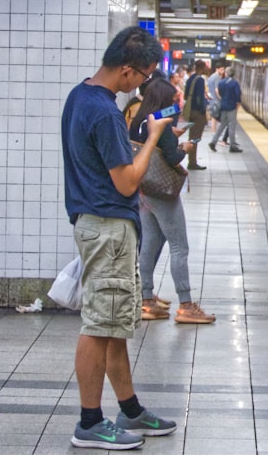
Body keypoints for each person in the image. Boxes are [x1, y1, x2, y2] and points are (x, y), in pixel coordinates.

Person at [61, 26, 178, 450]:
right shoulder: (105, 113)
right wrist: (153, 139)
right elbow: (127, 182)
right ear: (126, 71)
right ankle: (89, 423)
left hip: (97, 223)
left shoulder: (80, 96)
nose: (142, 84)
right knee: (99, 326)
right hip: (108, 227)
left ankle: (129, 410)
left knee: (111, 324)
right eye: (143, 76)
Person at [129, 70, 217, 324]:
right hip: (162, 192)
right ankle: (186, 305)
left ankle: (146, 300)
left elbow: (150, 144)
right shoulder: (161, 123)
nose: (175, 104)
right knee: (179, 247)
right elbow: (172, 157)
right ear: (163, 101)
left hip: (143, 189)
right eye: (172, 100)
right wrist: (184, 147)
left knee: (150, 244)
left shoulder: (140, 119)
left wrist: (171, 139)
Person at [182, 60, 210, 170]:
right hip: (197, 112)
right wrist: (203, 110)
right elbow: (199, 99)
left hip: (190, 111)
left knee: (192, 136)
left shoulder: (190, 78)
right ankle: (192, 162)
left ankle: (192, 161)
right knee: (195, 138)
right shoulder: (200, 80)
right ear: (202, 67)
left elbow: (185, 95)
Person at [209, 67, 243, 153]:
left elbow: (219, 92)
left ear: (226, 73)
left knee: (222, 125)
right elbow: (238, 94)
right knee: (231, 126)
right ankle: (232, 146)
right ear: (234, 74)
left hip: (223, 106)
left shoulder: (221, 82)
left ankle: (213, 142)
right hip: (231, 107)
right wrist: (238, 103)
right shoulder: (235, 83)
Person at [205, 61, 226, 135]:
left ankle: (213, 130)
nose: (223, 72)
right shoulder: (217, 77)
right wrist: (221, 98)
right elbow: (217, 90)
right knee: (215, 116)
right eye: (221, 69)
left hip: (212, 99)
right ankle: (214, 130)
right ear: (217, 69)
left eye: (223, 70)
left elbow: (207, 88)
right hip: (216, 100)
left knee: (214, 115)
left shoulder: (211, 76)